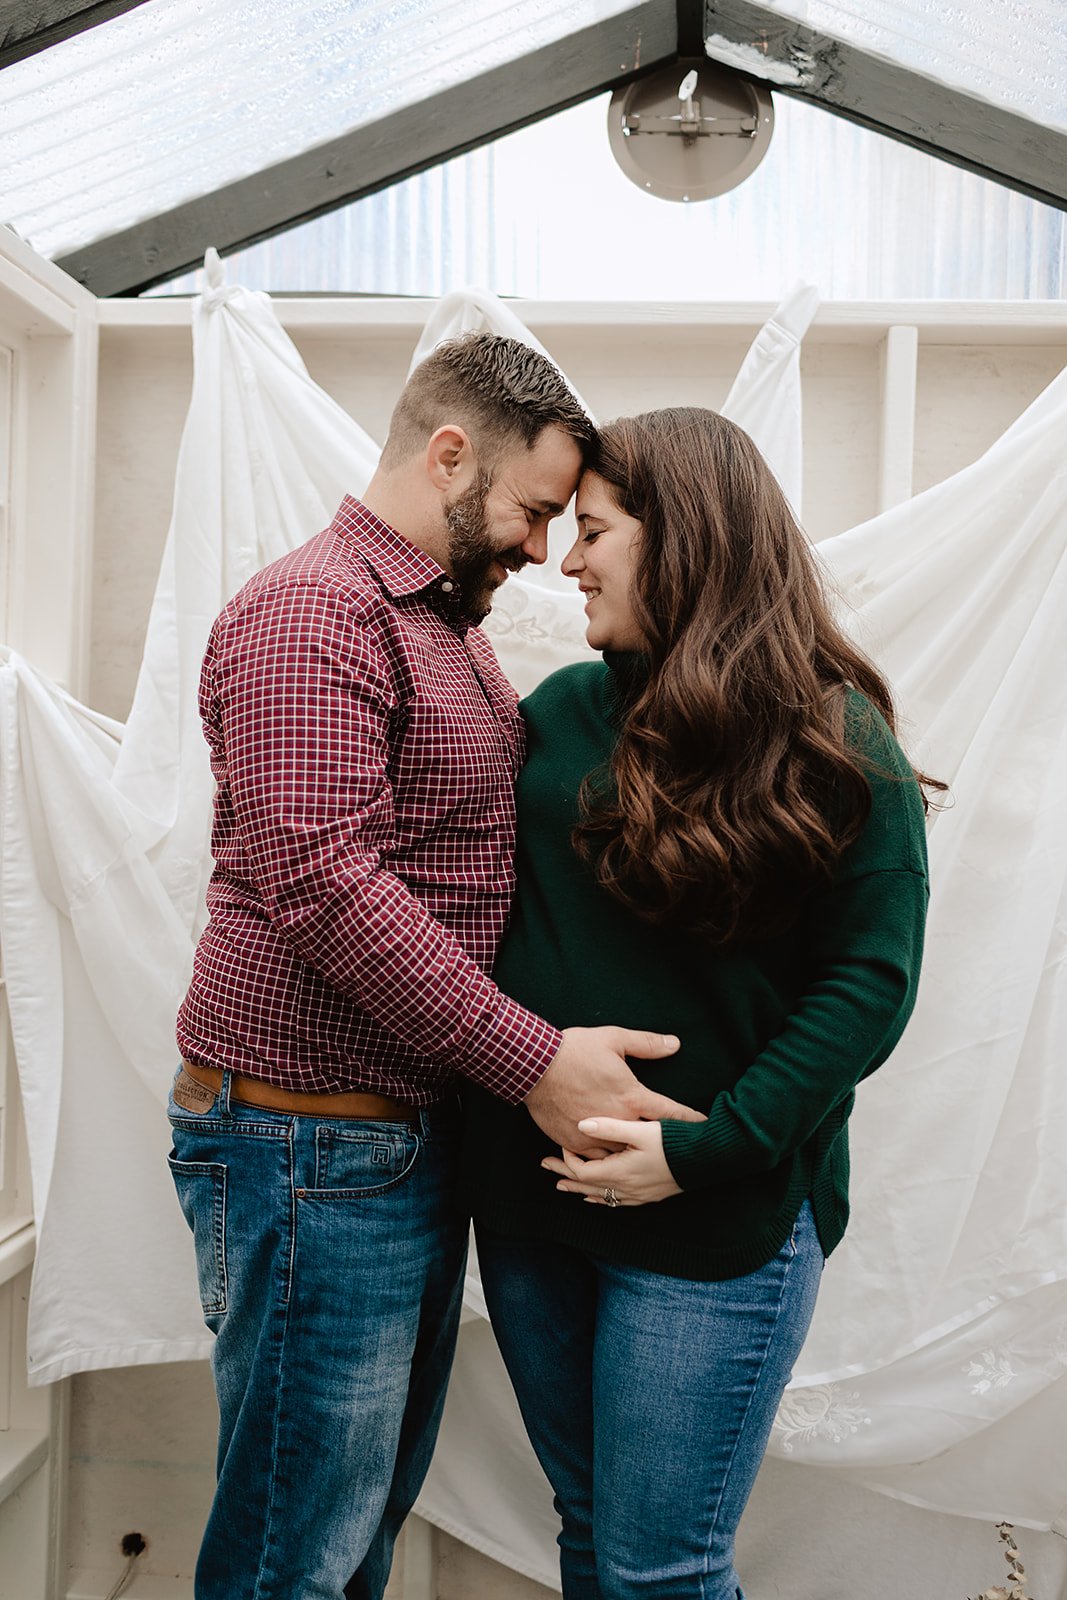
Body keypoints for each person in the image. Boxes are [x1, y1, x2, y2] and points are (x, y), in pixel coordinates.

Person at [167, 337, 700, 1600]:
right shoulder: (318, 612)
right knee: (293, 1553)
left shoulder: (436, 625)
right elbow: (322, 880)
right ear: (447, 453)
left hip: (382, 1147)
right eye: (527, 510)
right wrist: (536, 1062)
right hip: (307, 1146)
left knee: (348, 1537)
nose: (534, 548)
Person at [463, 406, 939, 1600]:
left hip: (711, 1229)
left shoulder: (834, 741)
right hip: (534, 1217)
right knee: (586, 1533)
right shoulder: (559, 714)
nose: (565, 560)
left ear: (682, 539)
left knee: (658, 1569)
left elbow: (865, 987)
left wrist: (703, 1150)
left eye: (595, 529)